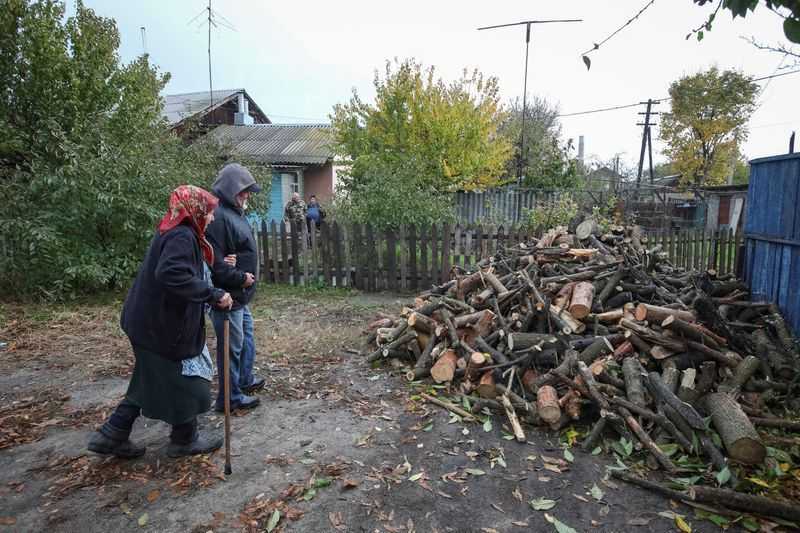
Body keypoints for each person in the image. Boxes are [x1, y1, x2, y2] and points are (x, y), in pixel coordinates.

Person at [88, 185, 233, 459]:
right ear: (195, 210)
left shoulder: (179, 231)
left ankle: (114, 434)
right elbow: (171, 273)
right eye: (209, 212)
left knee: (155, 380)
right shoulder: (181, 235)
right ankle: (182, 439)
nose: (212, 218)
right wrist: (212, 294)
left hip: (151, 323)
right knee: (181, 380)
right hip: (156, 327)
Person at [206, 163, 265, 413]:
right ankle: (229, 398)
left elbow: (235, 252)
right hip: (228, 297)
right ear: (230, 190)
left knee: (246, 340)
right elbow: (216, 265)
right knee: (231, 347)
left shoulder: (233, 213)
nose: (247, 196)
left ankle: (243, 381)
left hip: (241, 297)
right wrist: (241, 278)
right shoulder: (218, 217)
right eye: (243, 191)